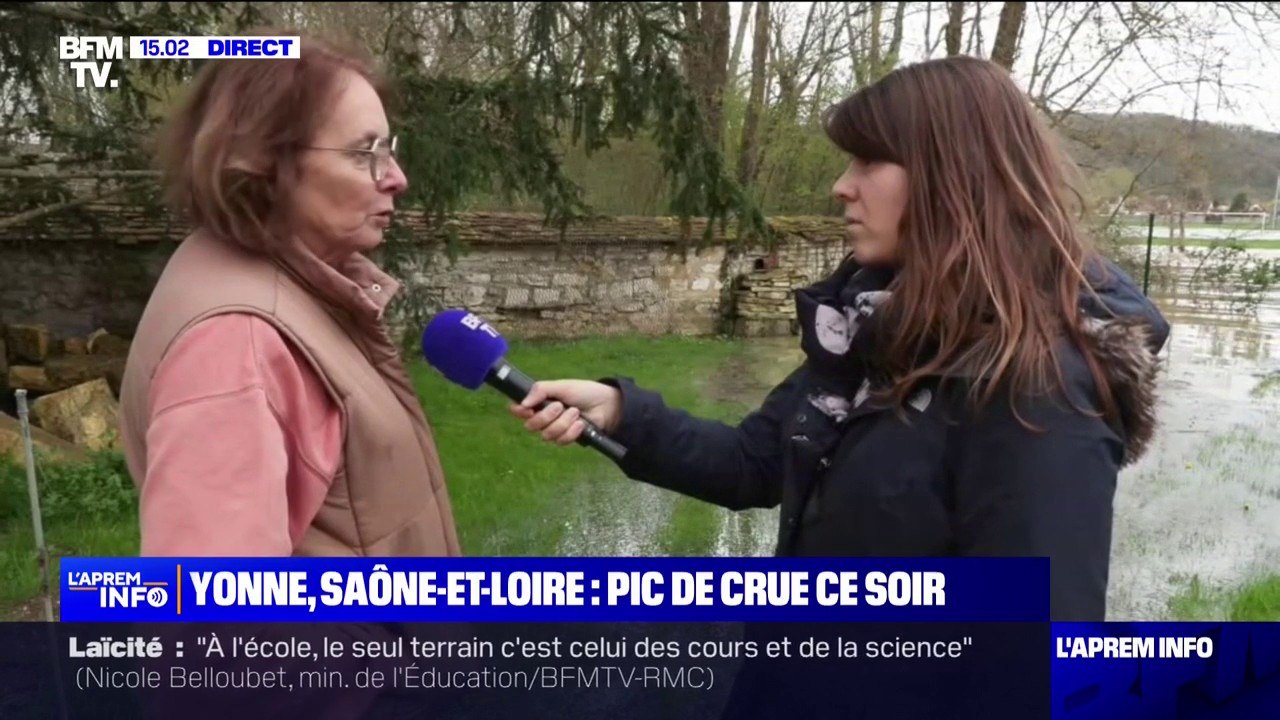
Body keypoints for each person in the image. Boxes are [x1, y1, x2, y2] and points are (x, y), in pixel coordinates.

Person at [510, 55, 1169, 624]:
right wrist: (625, 413)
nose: (840, 186)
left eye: (869, 160)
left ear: (957, 175)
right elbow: (757, 462)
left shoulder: (1038, 390)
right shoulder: (873, 331)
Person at [118, 32, 461, 560]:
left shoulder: (289, 281)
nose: (397, 178)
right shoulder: (235, 345)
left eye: (390, 150)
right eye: (364, 152)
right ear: (262, 161)